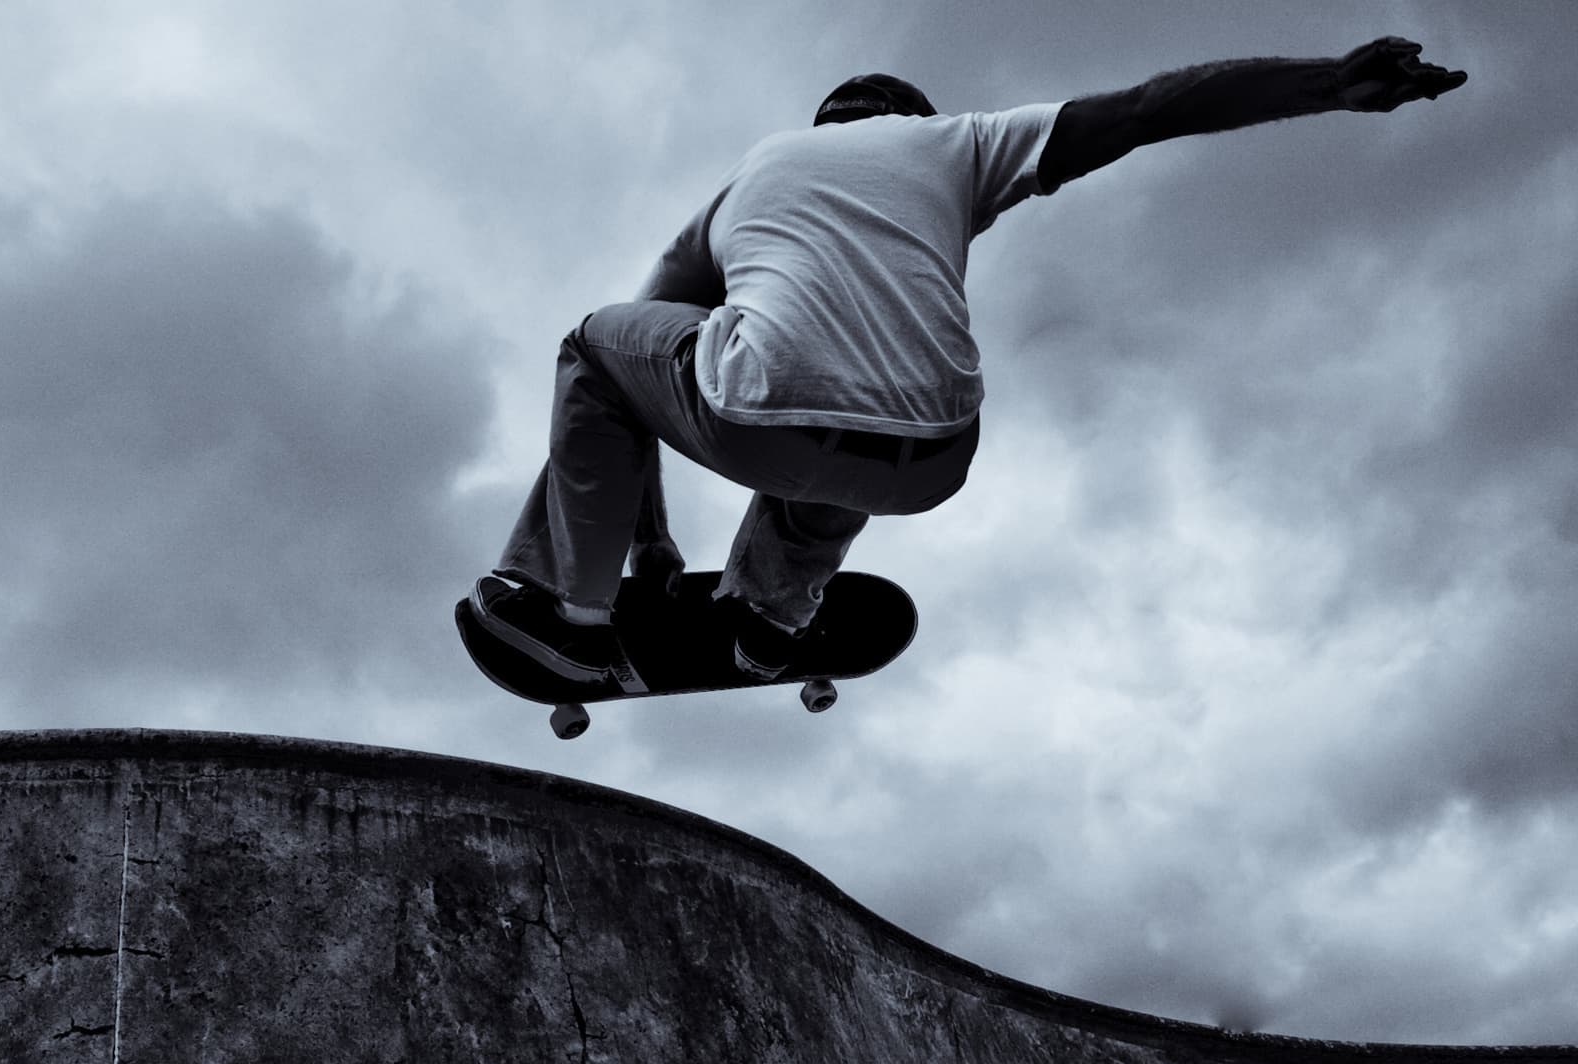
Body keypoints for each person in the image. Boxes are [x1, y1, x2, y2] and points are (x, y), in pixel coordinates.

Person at [469, 37, 1467, 686]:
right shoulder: (961, 143)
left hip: (756, 419)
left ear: (827, 126)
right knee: (863, 380)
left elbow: (631, 371)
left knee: (600, 346)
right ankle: (770, 617)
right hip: (935, 459)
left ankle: (571, 614)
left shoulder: (753, 174)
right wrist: (1328, 83)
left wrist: (645, 547)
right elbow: (1146, 109)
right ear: (914, 116)